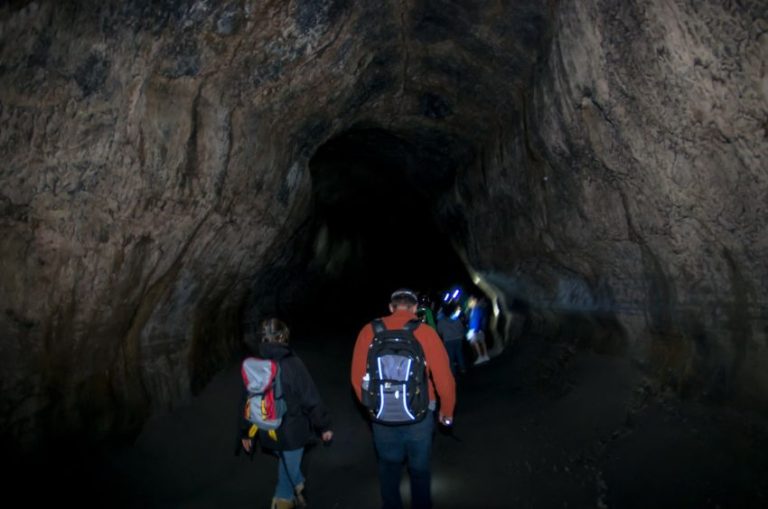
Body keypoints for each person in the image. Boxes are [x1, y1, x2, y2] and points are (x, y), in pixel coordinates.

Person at [351, 289, 456, 509]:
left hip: (381, 417)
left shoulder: (368, 331)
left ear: (391, 307)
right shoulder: (426, 333)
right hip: (420, 413)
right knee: (419, 470)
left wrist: (372, 405)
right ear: (416, 308)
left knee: (388, 467)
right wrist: (446, 412)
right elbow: (444, 379)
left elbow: (356, 377)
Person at [240, 318, 333, 509]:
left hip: (266, 429)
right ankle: (285, 497)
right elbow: (310, 398)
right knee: (285, 482)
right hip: (292, 433)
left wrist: (245, 432)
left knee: (286, 464)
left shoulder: (256, 365)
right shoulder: (293, 364)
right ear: (283, 337)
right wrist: (323, 426)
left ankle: (297, 483)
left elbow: (247, 400)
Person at [436, 303, 467, 375]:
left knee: (450, 356)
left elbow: (439, 331)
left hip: (448, 340)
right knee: (459, 353)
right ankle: (462, 368)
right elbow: (461, 327)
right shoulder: (456, 319)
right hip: (458, 338)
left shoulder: (441, 321)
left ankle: (453, 371)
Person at [466, 295, 490, 364]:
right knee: (482, 341)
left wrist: (473, 329)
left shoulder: (476, 310)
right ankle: (485, 356)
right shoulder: (478, 309)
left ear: (474, 301)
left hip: (475, 329)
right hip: (480, 328)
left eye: (470, 302)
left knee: (475, 342)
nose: (469, 304)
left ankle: (480, 356)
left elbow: (475, 320)